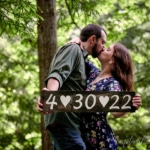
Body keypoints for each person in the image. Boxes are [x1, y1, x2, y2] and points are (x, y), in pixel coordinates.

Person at [37, 24, 107, 150]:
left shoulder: (82, 58)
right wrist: (50, 98)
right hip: (64, 120)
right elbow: (58, 74)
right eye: (102, 42)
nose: (103, 46)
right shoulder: (73, 49)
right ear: (92, 39)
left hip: (70, 123)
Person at [80, 43, 142, 150]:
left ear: (112, 60)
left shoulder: (112, 84)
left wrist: (130, 105)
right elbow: (80, 55)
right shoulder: (93, 73)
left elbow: (116, 112)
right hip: (83, 139)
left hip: (102, 142)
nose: (103, 48)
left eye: (108, 50)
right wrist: (77, 40)